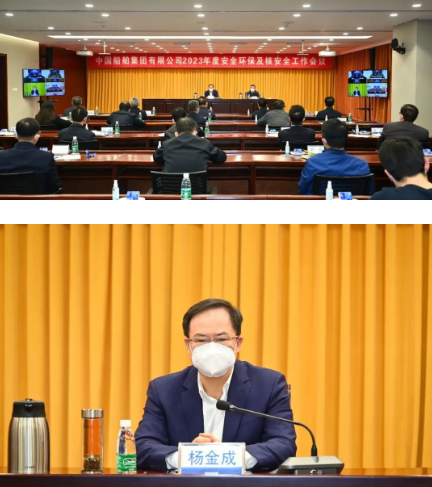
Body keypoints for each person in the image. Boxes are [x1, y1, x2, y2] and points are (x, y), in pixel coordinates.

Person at [135, 298, 296, 472]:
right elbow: (143, 446)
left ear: (238, 343)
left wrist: (229, 456)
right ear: (188, 345)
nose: (212, 347)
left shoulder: (269, 385)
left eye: (221, 338)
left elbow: (283, 444)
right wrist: (186, 456)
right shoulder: (163, 390)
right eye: (201, 340)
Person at [298, 118, 372, 195]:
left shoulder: (313, 163)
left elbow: (302, 190)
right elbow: (369, 194)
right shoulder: (362, 165)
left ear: (324, 141)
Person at [0, 118, 61, 194]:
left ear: (15, 135)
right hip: (38, 200)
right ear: (37, 137)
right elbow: (55, 186)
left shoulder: (1, 156)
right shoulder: (46, 157)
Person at [153, 117, 227, 173]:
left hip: (169, 188)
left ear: (176, 134)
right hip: (197, 188)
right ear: (195, 133)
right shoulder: (204, 143)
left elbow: (156, 158)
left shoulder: (167, 144)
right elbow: (221, 158)